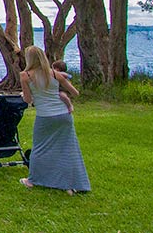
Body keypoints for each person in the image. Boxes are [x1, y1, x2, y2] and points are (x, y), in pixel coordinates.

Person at [19, 46, 90, 195]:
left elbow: (27, 99)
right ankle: (70, 185)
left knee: (39, 148)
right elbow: (75, 92)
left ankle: (33, 180)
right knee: (67, 149)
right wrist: (59, 95)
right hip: (63, 115)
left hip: (45, 116)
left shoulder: (25, 75)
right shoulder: (55, 74)